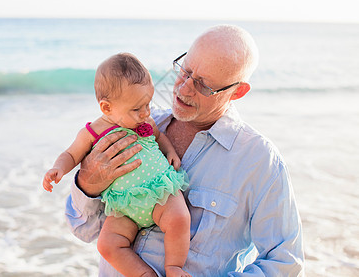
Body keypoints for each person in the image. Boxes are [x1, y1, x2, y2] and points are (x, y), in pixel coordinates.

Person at [65, 24, 304, 276]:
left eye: (203, 85)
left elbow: (285, 262)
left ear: (237, 91)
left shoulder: (259, 161)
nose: (184, 88)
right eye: (185, 70)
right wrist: (88, 183)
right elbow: (85, 230)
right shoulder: (135, 124)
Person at [43, 53, 190, 277]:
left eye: (148, 104)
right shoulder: (91, 133)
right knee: (107, 245)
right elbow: (71, 155)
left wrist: (170, 152)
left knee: (179, 218)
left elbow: (159, 137)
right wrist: (58, 169)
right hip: (124, 207)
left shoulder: (146, 121)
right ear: (106, 107)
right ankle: (143, 274)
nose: (146, 113)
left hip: (160, 191)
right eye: (136, 109)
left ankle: (174, 267)